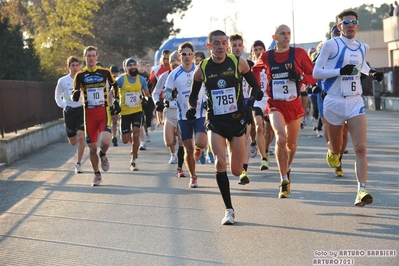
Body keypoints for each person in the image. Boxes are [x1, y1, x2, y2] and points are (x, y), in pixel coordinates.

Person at [188, 30, 260, 225]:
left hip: (237, 121)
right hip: (216, 123)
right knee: (220, 162)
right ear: (209, 46)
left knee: (236, 171)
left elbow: (256, 87)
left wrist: (249, 104)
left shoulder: (238, 63)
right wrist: (191, 108)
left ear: (227, 45)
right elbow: (193, 96)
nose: (221, 47)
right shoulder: (202, 68)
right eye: (216, 43)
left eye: (223, 43)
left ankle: (236, 160)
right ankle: (229, 209)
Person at [313, 9, 384, 207]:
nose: (350, 25)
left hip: (355, 102)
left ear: (358, 26)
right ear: (339, 27)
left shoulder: (363, 47)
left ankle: (361, 189)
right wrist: (338, 71)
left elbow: (360, 66)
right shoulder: (330, 45)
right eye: (346, 22)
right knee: (337, 148)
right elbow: (316, 72)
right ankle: (332, 152)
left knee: (360, 148)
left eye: (353, 22)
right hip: (334, 101)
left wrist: (371, 74)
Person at [252, 24, 317, 199]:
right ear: (275, 38)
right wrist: (257, 87)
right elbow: (255, 70)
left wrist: (301, 77)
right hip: (275, 105)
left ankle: (287, 168)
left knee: (291, 145)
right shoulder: (267, 56)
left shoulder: (299, 54)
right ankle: (283, 180)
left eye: (288, 33)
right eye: (282, 34)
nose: (286, 37)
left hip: (294, 105)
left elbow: (314, 76)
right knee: (280, 137)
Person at [71, 46, 120, 186]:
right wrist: (74, 95)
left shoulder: (105, 72)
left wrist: (116, 100)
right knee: (92, 148)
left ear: (97, 57)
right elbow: (74, 92)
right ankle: (97, 174)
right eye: (88, 56)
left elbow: (114, 85)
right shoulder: (79, 75)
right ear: (84, 58)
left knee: (105, 141)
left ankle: (103, 154)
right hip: (89, 115)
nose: (91, 58)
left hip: (103, 112)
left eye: (93, 55)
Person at [164, 42, 207, 188]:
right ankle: (193, 176)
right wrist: (171, 94)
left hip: (200, 113)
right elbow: (166, 93)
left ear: (194, 56)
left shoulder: (200, 70)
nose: (187, 57)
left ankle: (199, 149)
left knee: (201, 143)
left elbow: (208, 88)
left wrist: (208, 101)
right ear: (179, 56)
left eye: (190, 54)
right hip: (183, 116)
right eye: (184, 54)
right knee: (188, 148)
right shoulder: (174, 74)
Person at [152, 51, 187, 177]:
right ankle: (173, 154)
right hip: (170, 112)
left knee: (182, 141)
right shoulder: (164, 76)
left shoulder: (187, 75)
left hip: (182, 111)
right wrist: (157, 103)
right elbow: (155, 93)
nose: (174, 63)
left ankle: (180, 168)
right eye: (171, 61)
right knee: (169, 141)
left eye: (175, 61)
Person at [228, 33, 254, 185]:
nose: (237, 48)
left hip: (244, 105)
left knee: (244, 139)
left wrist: (251, 100)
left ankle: (244, 171)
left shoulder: (248, 64)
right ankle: (234, 164)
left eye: (239, 45)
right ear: (229, 47)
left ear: (243, 47)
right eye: (234, 46)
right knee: (231, 142)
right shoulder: (224, 64)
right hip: (228, 107)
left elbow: (255, 84)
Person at [116, 58, 150, 171]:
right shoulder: (121, 80)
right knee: (125, 140)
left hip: (137, 111)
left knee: (136, 134)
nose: (132, 67)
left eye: (134, 65)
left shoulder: (141, 79)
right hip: (125, 112)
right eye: (130, 65)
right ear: (126, 68)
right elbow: (112, 91)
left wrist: (145, 99)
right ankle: (131, 143)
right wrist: (114, 103)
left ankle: (133, 160)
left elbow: (146, 93)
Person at [54, 56, 85, 174]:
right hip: (69, 111)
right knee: (73, 142)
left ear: (80, 66)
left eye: (77, 65)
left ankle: (78, 164)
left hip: (81, 110)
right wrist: (65, 106)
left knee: (81, 136)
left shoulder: (83, 78)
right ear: (68, 67)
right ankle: (74, 138)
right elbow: (57, 96)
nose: (75, 68)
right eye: (73, 66)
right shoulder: (62, 81)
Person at [110, 65, 120, 147]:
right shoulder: (107, 81)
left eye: (116, 73)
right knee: (110, 121)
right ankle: (111, 134)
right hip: (107, 104)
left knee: (115, 120)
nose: (114, 74)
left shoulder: (119, 81)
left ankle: (114, 136)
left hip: (116, 103)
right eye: (113, 73)